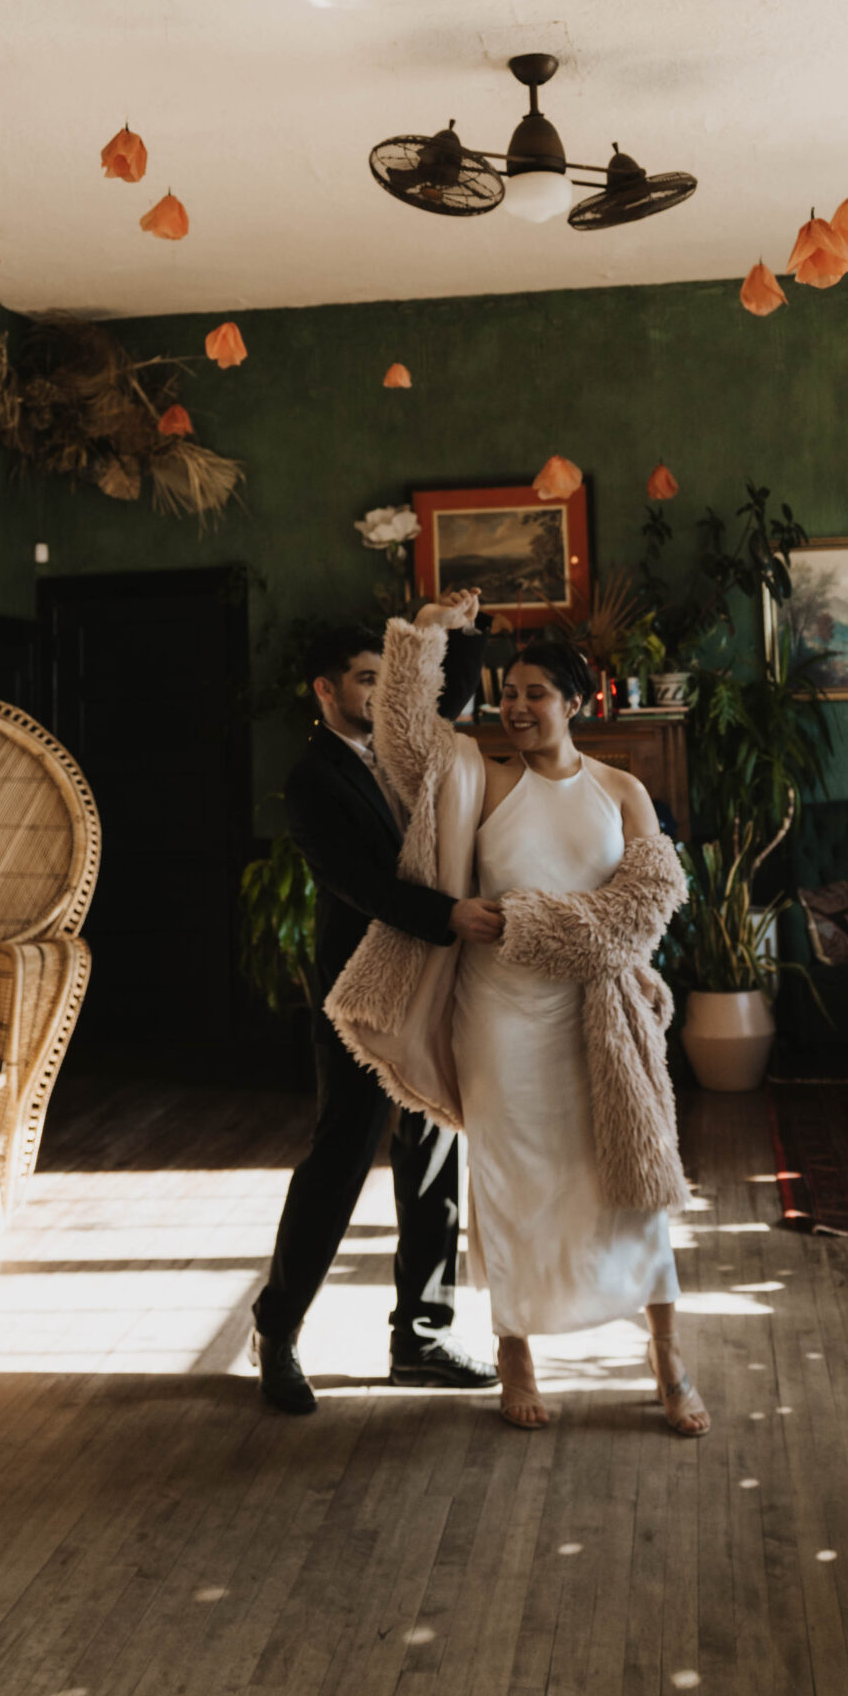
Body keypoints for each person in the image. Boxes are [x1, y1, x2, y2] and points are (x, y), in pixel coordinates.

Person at [327, 593, 708, 1437]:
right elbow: (401, 727)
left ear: (573, 703)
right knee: (510, 1187)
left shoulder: (622, 791)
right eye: (509, 691)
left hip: (597, 1015)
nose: (517, 705)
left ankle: (666, 1353)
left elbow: (647, 908)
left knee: (630, 1184)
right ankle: (515, 1349)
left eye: (536, 692)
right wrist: (428, 632)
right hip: (496, 1015)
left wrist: (534, 923)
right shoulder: (479, 779)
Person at [249, 621, 500, 1414]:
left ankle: (420, 1339)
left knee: (432, 1154)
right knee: (340, 1158)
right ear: (326, 691)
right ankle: (278, 1332)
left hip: (435, 979)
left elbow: (447, 698)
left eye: (382, 678)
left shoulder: (406, 748)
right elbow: (358, 882)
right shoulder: (312, 777)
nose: (378, 692)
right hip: (360, 988)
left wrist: (462, 633)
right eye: (364, 678)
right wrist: (449, 915)